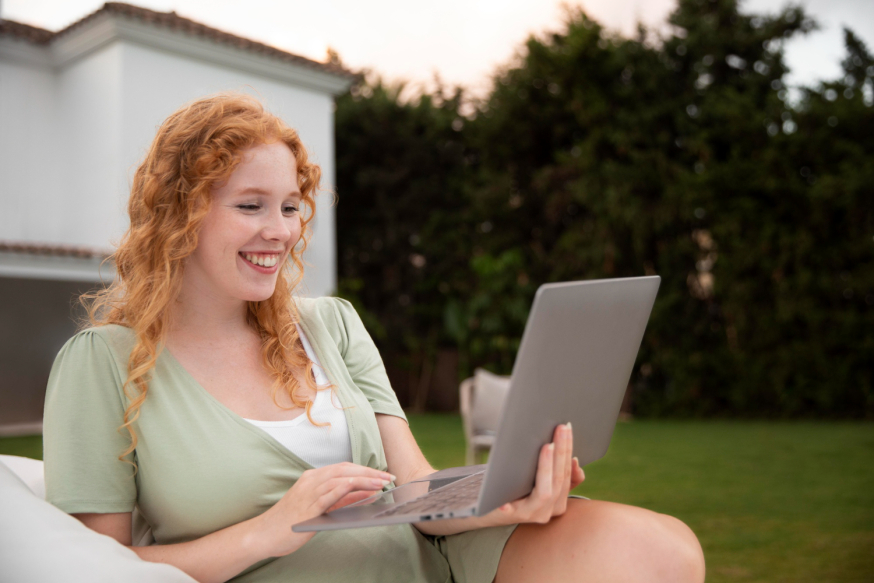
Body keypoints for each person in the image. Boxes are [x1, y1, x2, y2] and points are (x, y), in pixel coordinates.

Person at [43, 93, 705, 583]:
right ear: (179, 214)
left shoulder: (331, 323)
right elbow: (96, 568)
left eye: (290, 205)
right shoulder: (102, 364)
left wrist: (504, 496)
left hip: (425, 561)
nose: (280, 230)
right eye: (251, 205)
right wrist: (271, 529)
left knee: (664, 550)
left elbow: (412, 488)